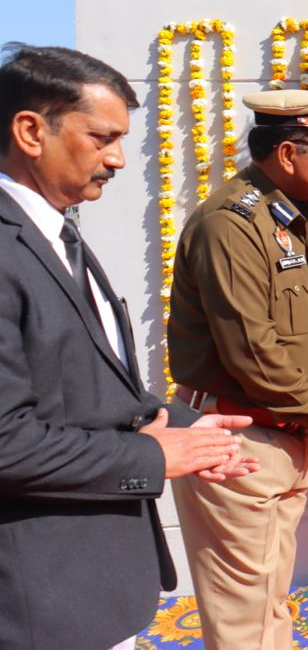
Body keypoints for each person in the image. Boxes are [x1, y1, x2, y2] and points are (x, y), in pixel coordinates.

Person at [0, 44, 257, 650]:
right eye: (102, 137)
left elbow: (91, 388)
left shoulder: (57, 231)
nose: (117, 158)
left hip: (94, 587)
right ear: (31, 130)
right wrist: (153, 458)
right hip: (40, 603)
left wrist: (194, 432)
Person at [169, 88, 308, 650]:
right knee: (243, 620)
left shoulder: (307, 219)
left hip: (284, 435)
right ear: (287, 153)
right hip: (235, 440)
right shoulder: (229, 225)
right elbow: (249, 346)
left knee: (268, 605)